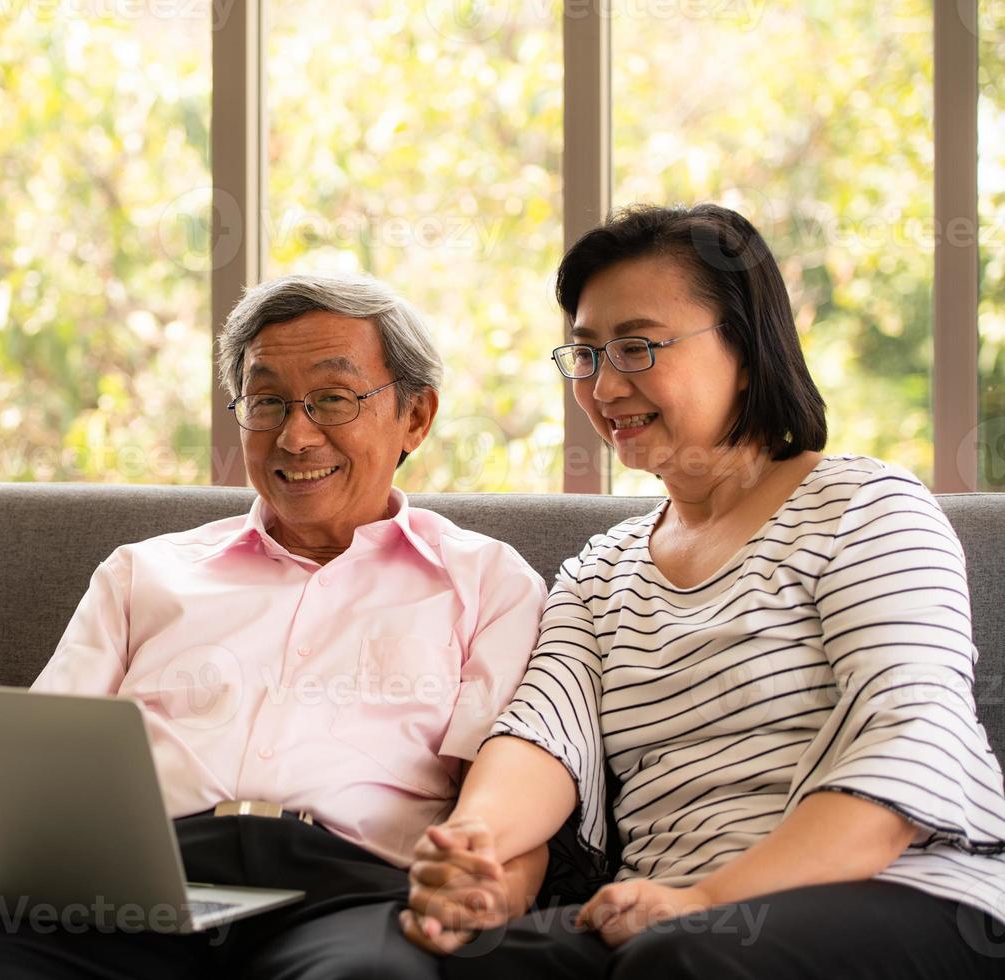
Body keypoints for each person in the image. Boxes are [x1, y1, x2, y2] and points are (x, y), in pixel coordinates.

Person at [0, 272, 550, 978]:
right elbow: (28, 772)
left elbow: (513, 803)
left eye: (331, 399)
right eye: (266, 403)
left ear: (415, 418)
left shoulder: (488, 582)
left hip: (353, 890)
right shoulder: (145, 573)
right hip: (125, 893)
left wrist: (493, 891)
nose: (295, 438)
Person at [401, 203, 1005, 978]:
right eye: (585, 354)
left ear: (746, 350)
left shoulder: (868, 506)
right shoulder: (600, 570)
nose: (605, 385)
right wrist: (475, 844)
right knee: (465, 965)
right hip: (661, 914)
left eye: (637, 347)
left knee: (683, 961)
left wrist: (708, 898)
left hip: (906, 892)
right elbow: (542, 735)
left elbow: (905, 749)